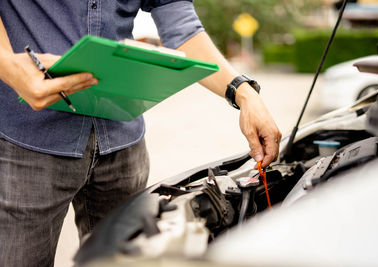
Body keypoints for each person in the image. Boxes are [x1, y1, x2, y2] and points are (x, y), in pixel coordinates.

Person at [0, 1, 281, 266]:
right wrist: (8, 64)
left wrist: (243, 93)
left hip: (122, 143)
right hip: (27, 139)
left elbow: (180, 24)